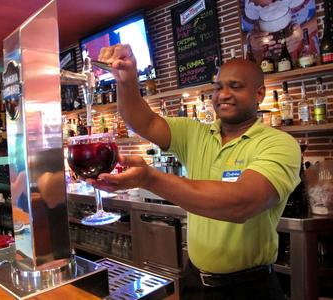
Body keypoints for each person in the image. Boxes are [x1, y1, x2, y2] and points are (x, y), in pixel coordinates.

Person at [92, 44, 301, 299]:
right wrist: (126, 80)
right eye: (217, 87)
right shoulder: (195, 133)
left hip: (249, 288)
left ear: (259, 94)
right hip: (195, 281)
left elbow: (242, 203)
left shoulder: (278, 143)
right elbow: (142, 121)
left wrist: (150, 178)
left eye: (235, 86)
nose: (223, 94)